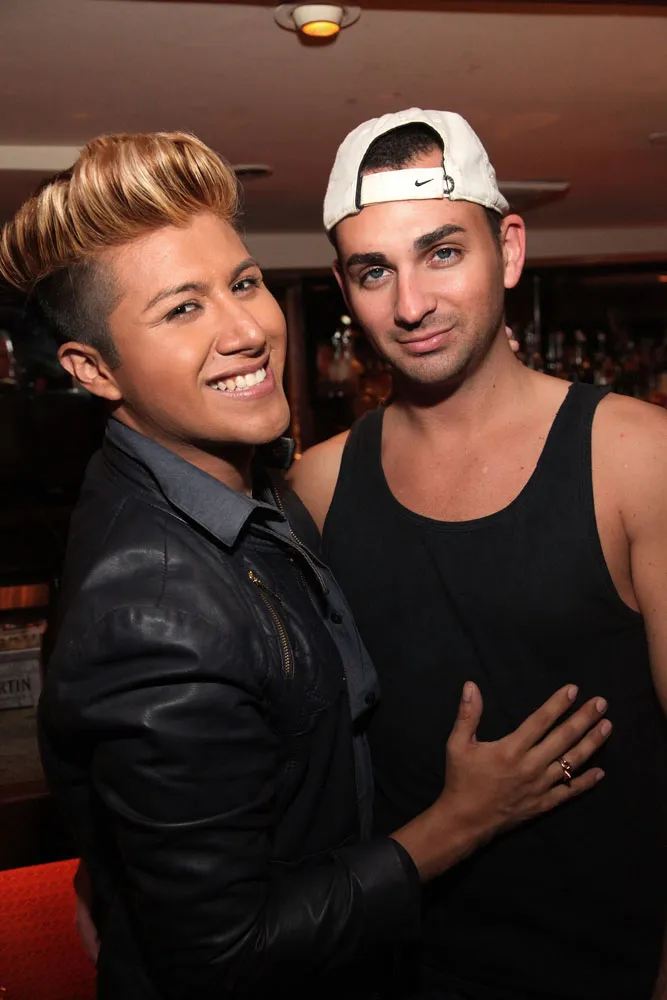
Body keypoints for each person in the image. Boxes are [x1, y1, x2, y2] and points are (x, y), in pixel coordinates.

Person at [0, 131, 611, 1000]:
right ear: (94, 369)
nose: (247, 330)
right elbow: (222, 958)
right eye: (182, 310)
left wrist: (129, 855)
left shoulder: (249, 488)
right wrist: (458, 822)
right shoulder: (155, 609)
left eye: (243, 283)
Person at [290, 108, 667, 1000]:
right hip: (394, 967)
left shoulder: (635, 458)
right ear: (344, 287)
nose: (409, 304)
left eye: (442, 253)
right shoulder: (315, 485)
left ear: (509, 249)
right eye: (373, 271)